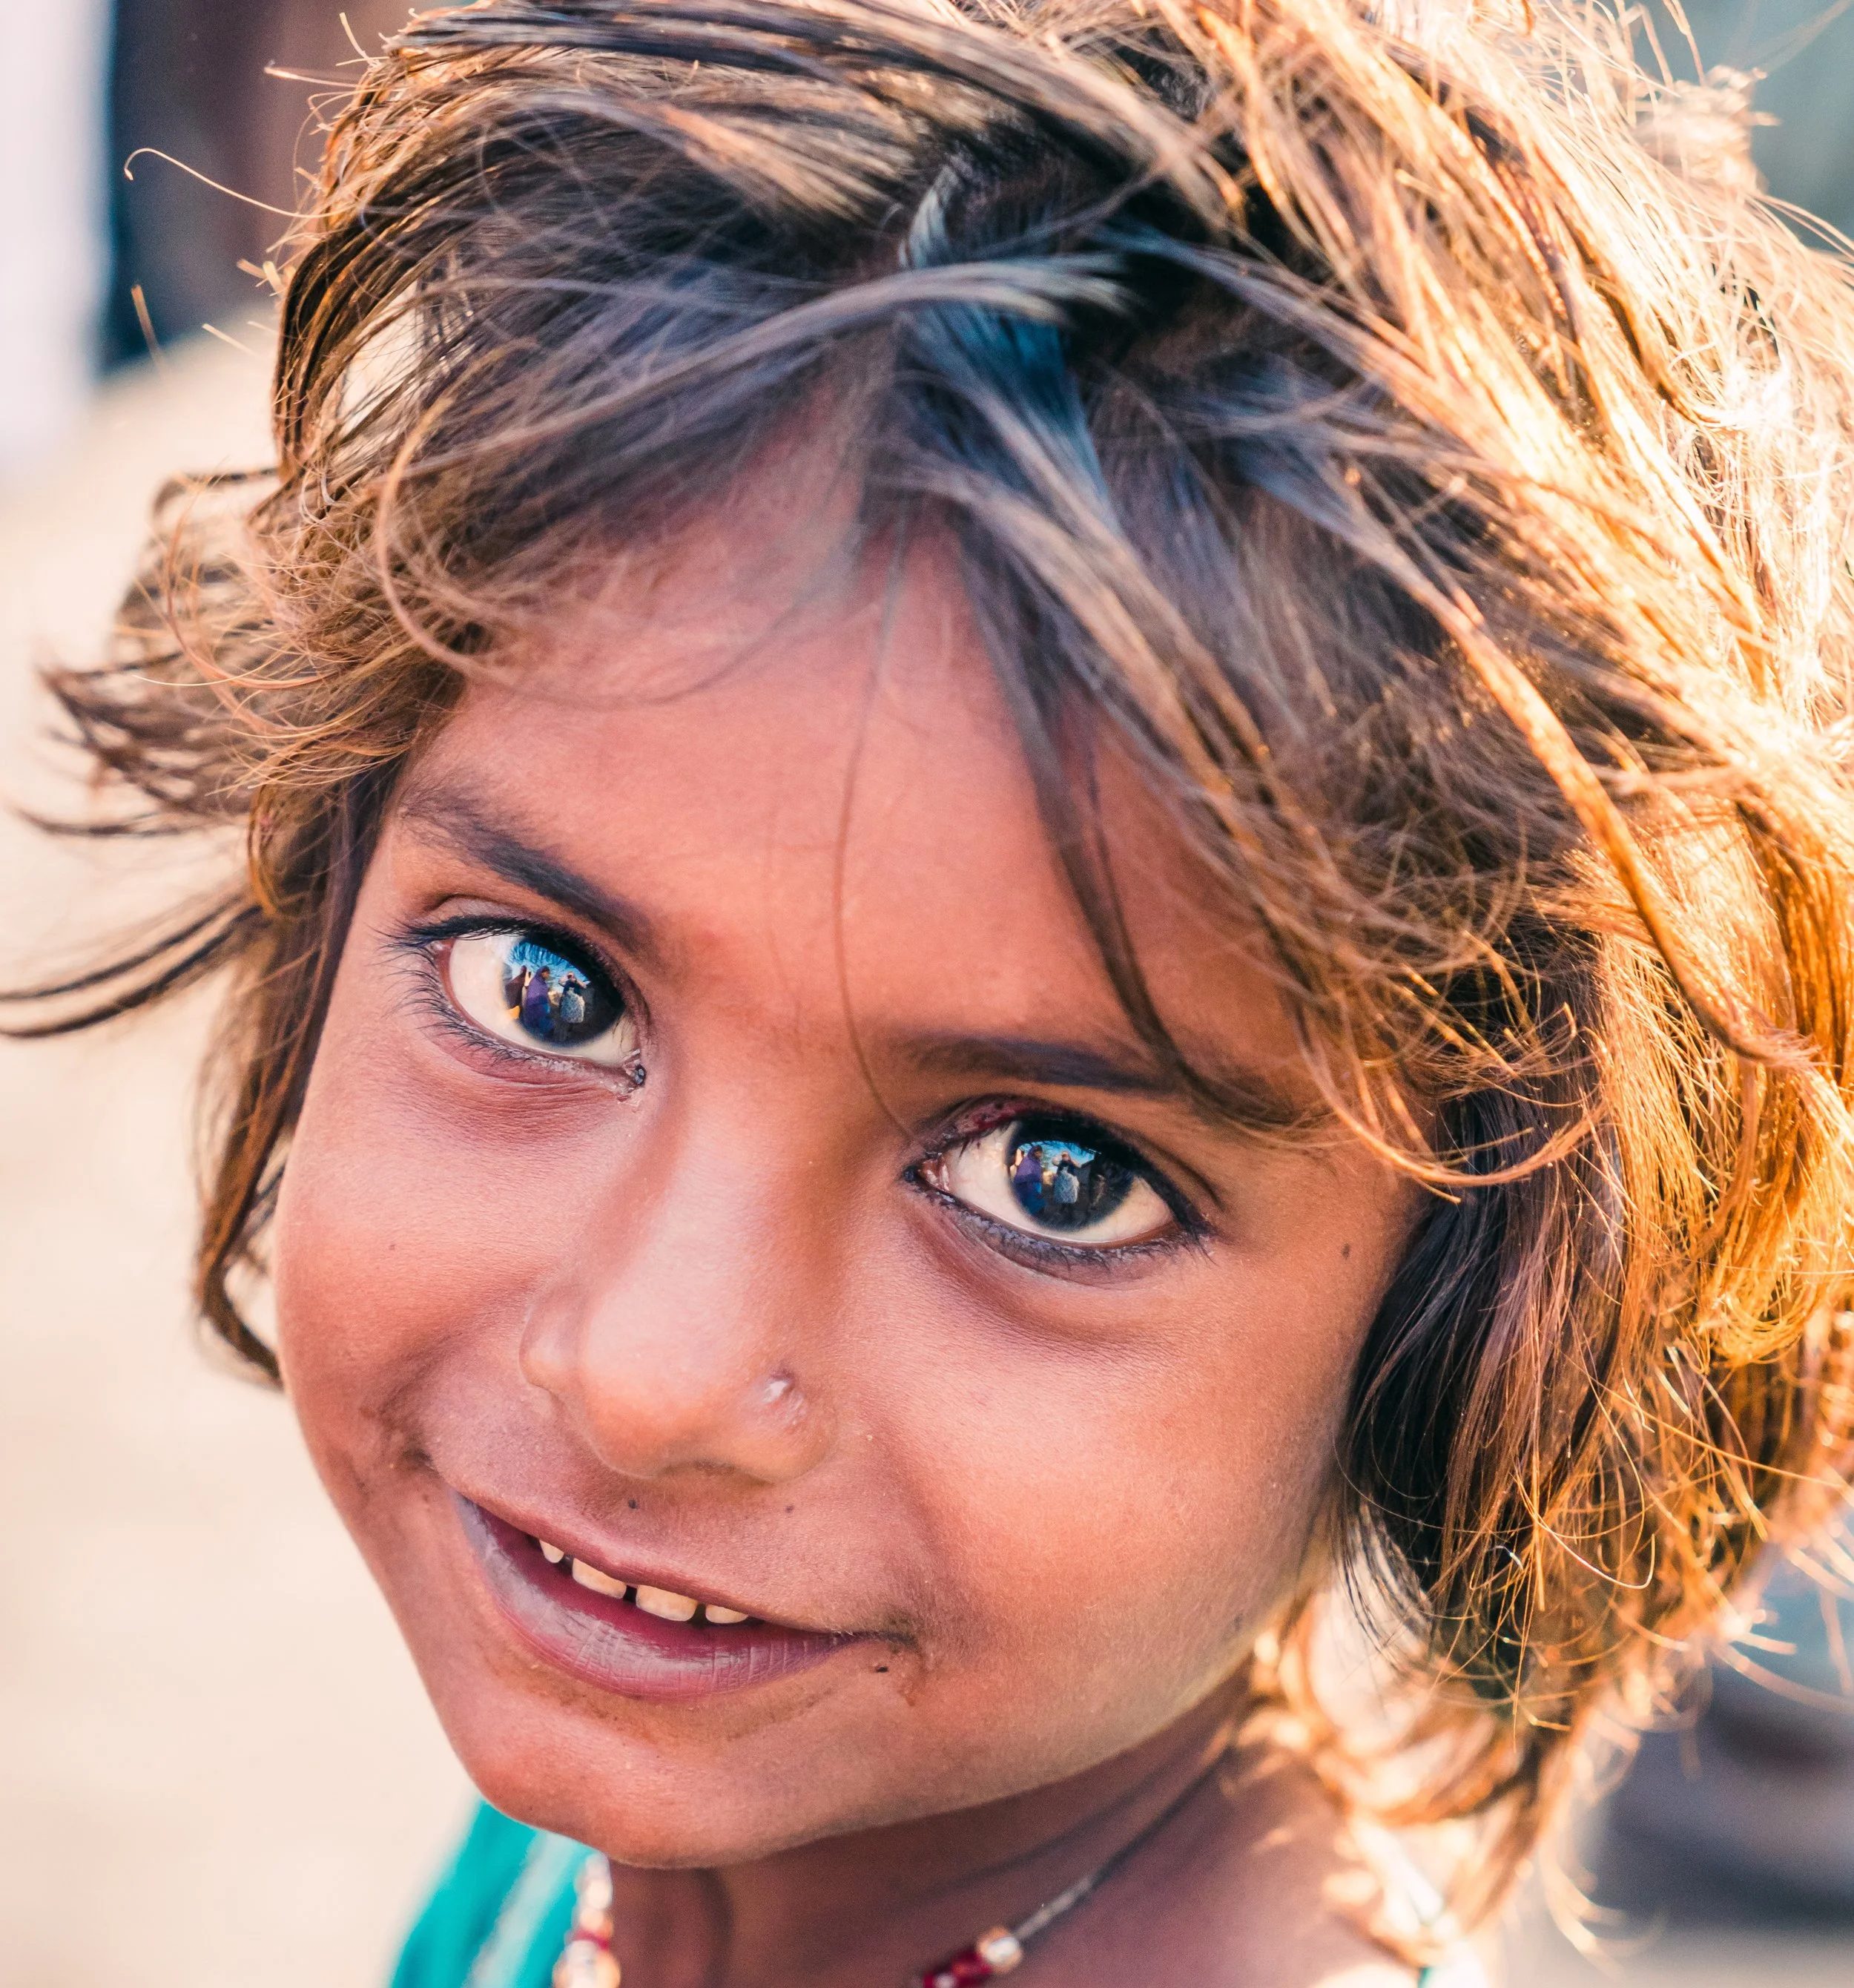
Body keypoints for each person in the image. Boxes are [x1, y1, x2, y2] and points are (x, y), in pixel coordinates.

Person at [18, 1, 1854, 1983]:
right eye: (545, 990)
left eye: (1054, 1177)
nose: (648, 1379)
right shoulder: (677, 1838)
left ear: (1472, 1337)